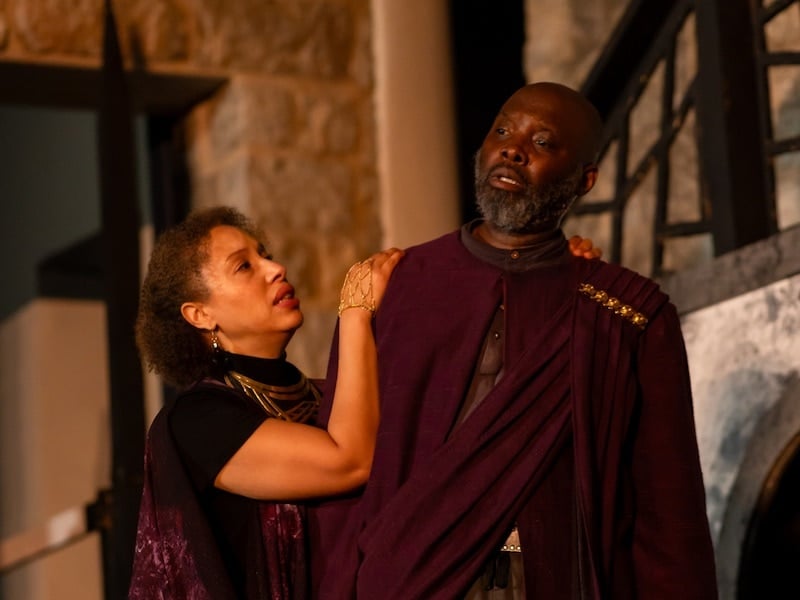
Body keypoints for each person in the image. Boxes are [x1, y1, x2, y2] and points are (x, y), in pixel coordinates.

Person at [307, 82, 718, 599]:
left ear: (584, 180)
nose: (513, 149)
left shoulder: (623, 313)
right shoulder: (398, 284)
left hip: (552, 579)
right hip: (406, 578)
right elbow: (347, 459)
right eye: (502, 131)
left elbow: (666, 504)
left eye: (542, 142)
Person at [127, 205, 404, 599]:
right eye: (244, 266)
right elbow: (350, 461)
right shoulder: (195, 420)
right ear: (200, 314)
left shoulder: (323, 395)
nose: (276, 269)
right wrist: (356, 312)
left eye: (266, 256)